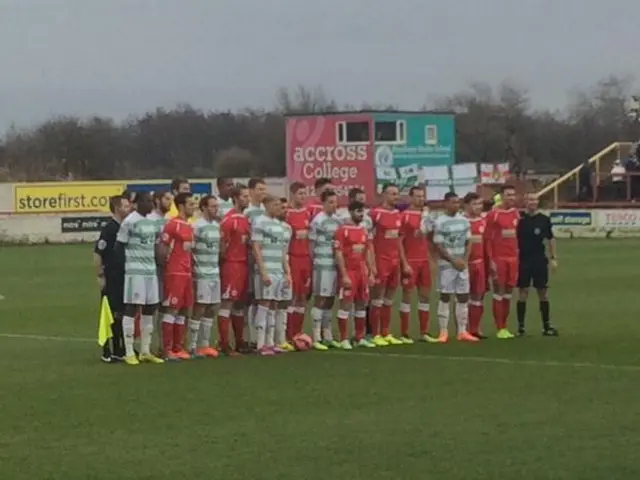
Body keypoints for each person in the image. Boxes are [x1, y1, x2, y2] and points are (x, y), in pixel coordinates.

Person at [115, 191, 165, 365]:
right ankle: (129, 351)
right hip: (134, 272)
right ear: (137, 204)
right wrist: (125, 269)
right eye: (147, 201)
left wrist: (160, 259)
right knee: (131, 308)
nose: (150, 204)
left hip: (150, 271)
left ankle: (145, 351)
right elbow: (119, 247)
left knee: (150, 307)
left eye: (151, 201)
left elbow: (158, 244)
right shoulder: (129, 222)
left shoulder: (154, 221)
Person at [432, 192, 477, 343]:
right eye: (453, 202)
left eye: (458, 202)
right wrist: (452, 261)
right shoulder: (440, 222)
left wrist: (464, 260)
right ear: (446, 203)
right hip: (447, 265)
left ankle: (462, 331)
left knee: (463, 296)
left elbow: (469, 242)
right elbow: (438, 245)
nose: (456, 205)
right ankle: (443, 331)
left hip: (462, 264)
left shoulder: (464, 221)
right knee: (445, 296)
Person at [251, 195, 293, 355]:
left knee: (274, 305)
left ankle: (271, 342)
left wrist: (287, 273)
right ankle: (260, 344)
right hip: (267, 269)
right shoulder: (259, 222)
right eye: (276, 205)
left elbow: (283, 252)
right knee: (264, 304)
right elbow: (256, 248)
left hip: (278, 270)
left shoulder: (280, 226)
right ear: (267, 206)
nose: (278, 207)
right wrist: (262, 271)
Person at [158, 192, 196, 360]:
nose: (193, 207)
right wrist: (167, 267)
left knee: (183, 310)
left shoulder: (188, 225)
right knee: (172, 309)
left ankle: (177, 347)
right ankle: (166, 351)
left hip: (186, 273)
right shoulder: (172, 225)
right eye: (190, 204)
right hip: (174, 273)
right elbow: (162, 248)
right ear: (181, 206)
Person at [93, 194, 131, 362]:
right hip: (111, 276)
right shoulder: (109, 229)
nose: (128, 208)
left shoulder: (125, 226)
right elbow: (98, 253)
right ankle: (107, 349)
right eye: (125, 206)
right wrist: (100, 275)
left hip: (123, 275)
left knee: (121, 312)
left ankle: (120, 347)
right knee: (111, 312)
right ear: (117, 208)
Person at [334, 200, 376, 349]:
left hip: (361, 272)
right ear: (351, 212)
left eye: (362, 212)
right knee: (345, 304)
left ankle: (359, 337)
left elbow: (366, 253)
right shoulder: (342, 231)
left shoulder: (363, 230)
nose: (361, 214)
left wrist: (370, 272)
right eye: (358, 212)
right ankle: (343, 339)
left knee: (361, 304)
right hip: (349, 272)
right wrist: (344, 275)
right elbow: (338, 254)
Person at [369, 183, 407, 346]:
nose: (395, 197)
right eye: (392, 194)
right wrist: (371, 264)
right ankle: (374, 333)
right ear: (384, 195)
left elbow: (398, 240)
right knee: (377, 297)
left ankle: (386, 332)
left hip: (394, 261)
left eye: (397, 194)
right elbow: (368, 240)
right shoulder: (375, 214)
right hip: (380, 260)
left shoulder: (398, 215)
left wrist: (403, 262)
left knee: (390, 298)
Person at [516, 193, 558, 336]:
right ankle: (521, 327)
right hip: (523, 260)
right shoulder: (519, 219)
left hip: (539, 260)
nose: (532, 202)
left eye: (535, 200)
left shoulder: (544, 220)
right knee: (523, 292)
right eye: (529, 200)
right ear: (525, 201)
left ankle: (546, 326)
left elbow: (551, 239)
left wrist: (553, 258)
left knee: (543, 292)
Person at [218, 184, 252, 355]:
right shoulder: (228, 220)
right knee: (227, 303)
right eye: (244, 196)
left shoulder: (245, 219)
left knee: (239, 304)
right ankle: (224, 344)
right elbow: (222, 247)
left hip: (243, 264)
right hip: (232, 265)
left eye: (248, 196)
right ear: (236, 198)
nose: (247, 199)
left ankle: (240, 341)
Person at [188, 195, 223, 358]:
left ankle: (205, 344)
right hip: (201, 272)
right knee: (200, 307)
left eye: (216, 206)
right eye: (212, 206)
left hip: (214, 272)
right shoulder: (197, 226)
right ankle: (192, 345)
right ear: (203, 208)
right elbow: (190, 249)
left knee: (212, 307)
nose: (216, 209)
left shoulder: (217, 226)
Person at [399, 187, 434, 343]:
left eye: (422, 196)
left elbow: (429, 236)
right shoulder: (405, 216)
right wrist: (404, 262)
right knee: (407, 295)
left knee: (425, 295)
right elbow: (400, 241)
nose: (421, 199)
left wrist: (431, 259)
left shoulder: (425, 215)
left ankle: (424, 332)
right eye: (418, 196)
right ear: (411, 197)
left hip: (424, 260)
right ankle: (404, 333)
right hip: (410, 260)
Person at [485, 184, 520, 339]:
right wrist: (491, 260)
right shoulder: (493, 215)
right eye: (508, 195)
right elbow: (487, 239)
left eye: (513, 195)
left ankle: (505, 326)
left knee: (508, 293)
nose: (511, 198)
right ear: (502, 196)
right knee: (498, 292)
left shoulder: (515, 213)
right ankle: (499, 327)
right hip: (499, 259)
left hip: (513, 259)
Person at [309, 189, 342, 350]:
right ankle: (316, 336)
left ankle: (327, 334)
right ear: (323, 203)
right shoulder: (318, 221)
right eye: (330, 202)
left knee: (330, 300)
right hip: (321, 264)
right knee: (320, 298)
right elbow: (311, 244)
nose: (334, 205)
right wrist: (313, 262)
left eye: (335, 202)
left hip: (334, 265)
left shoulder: (338, 221)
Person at [284, 182, 312, 342]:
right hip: (293, 258)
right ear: (293, 194)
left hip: (305, 259)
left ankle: (298, 331)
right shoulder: (287, 213)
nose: (303, 197)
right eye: (300, 194)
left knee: (302, 296)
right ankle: (289, 333)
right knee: (292, 296)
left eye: (304, 193)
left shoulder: (307, 213)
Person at [244, 177, 268, 349]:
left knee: (261, 298)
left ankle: (259, 336)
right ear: (251, 191)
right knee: (250, 297)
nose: (262, 193)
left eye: (264, 189)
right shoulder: (247, 212)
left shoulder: (265, 211)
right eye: (259, 189)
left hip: (264, 260)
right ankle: (250, 336)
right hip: (249, 259)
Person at [463, 192, 489, 339]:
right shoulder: (461, 221)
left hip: (480, 264)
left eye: (480, 204)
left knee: (478, 296)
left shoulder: (483, 221)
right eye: (475, 204)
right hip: (465, 264)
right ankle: (463, 328)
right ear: (467, 205)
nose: (478, 207)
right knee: (463, 297)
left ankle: (475, 328)